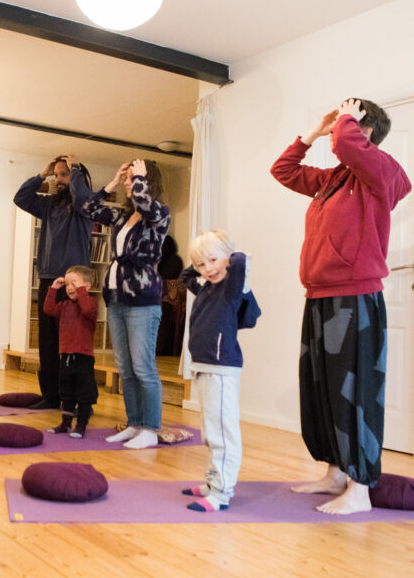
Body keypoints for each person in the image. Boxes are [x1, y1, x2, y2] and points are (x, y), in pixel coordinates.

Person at [271, 98, 411, 514]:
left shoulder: (383, 173)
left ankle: (361, 488)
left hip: (355, 296)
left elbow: (350, 146)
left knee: (354, 394)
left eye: (346, 122)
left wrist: (348, 119)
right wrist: (313, 133)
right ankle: (335, 471)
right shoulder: (333, 179)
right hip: (319, 294)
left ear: (364, 131)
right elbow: (284, 171)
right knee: (321, 390)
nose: (338, 129)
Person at [79, 159, 170, 449]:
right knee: (126, 368)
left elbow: (146, 203)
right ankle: (134, 424)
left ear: (147, 180)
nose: (129, 183)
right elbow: (88, 208)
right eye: (128, 179)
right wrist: (113, 183)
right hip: (116, 297)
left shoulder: (157, 214)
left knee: (144, 368)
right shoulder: (122, 217)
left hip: (143, 299)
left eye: (133, 179)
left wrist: (139, 179)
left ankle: (151, 429)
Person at [180, 230, 259, 512]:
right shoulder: (207, 287)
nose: (207, 269)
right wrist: (200, 259)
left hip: (222, 368)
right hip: (203, 365)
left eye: (213, 260)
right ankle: (213, 481)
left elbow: (237, 262)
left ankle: (222, 492)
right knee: (209, 430)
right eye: (201, 264)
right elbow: (185, 277)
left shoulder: (232, 288)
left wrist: (232, 256)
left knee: (222, 433)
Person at [14, 154, 93, 409]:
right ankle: (51, 396)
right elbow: (21, 198)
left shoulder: (86, 205)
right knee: (47, 342)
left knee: (71, 344)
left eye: (64, 174)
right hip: (49, 280)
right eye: (56, 175)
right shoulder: (48, 205)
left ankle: (75, 397)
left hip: (72, 283)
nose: (59, 179)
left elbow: (82, 197)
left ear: (77, 177)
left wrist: (76, 170)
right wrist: (42, 174)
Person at [43, 265, 98, 438]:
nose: (69, 288)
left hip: (83, 357)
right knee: (66, 392)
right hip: (65, 356)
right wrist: (53, 289)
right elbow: (48, 309)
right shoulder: (65, 305)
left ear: (86, 287)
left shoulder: (91, 304)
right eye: (67, 284)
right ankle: (65, 424)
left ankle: (81, 425)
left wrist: (80, 289)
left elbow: (87, 309)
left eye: (74, 283)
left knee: (83, 393)